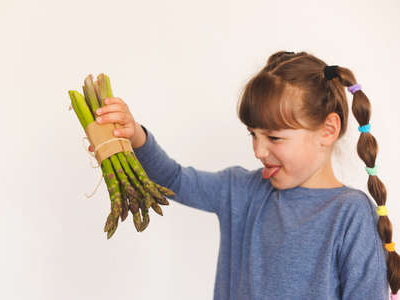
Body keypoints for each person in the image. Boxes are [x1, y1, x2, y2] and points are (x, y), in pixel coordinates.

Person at [89, 51, 399, 299]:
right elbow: (175, 181)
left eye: (274, 138)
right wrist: (134, 138)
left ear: (327, 131)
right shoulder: (242, 190)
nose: (258, 150)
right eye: (253, 134)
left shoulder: (350, 214)